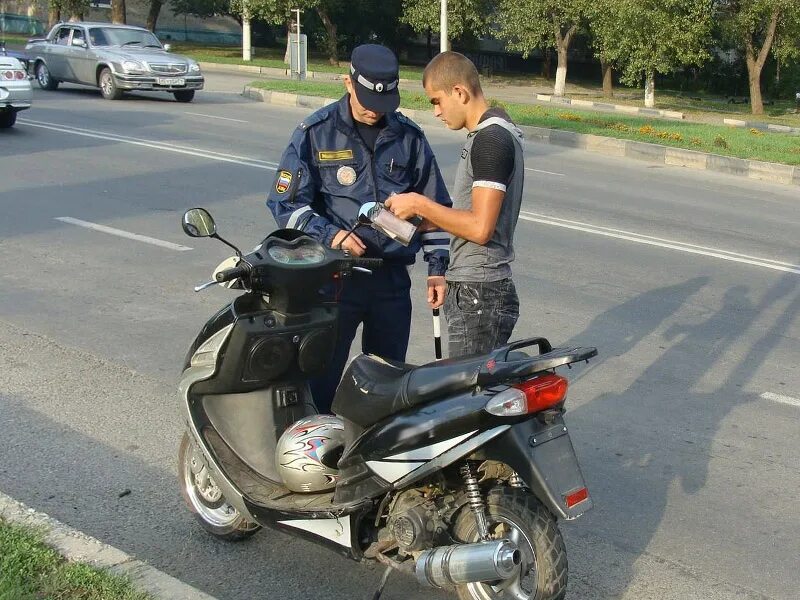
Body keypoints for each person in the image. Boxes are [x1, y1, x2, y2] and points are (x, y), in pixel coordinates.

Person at [266, 44, 452, 413]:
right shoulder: (315, 134)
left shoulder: (409, 138)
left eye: (384, 102)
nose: (374, 109)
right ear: (348, 83)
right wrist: (332, 236)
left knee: (386, 385)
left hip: (391, 283)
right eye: (367, 98)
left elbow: (435, 210)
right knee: (320, 378)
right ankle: (315, 454)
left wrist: (437, 270)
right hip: (335, 280)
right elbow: (284, 204)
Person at [386, 51, 525, 358]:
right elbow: (471, 217)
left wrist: (420, 204)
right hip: (476, 288)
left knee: (467, 401)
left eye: (436, 100)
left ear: (459, 92)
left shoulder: (491, 140)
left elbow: (480, 228)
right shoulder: (490, 132)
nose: (436, 111)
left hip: (480, 291)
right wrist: (423, 223)